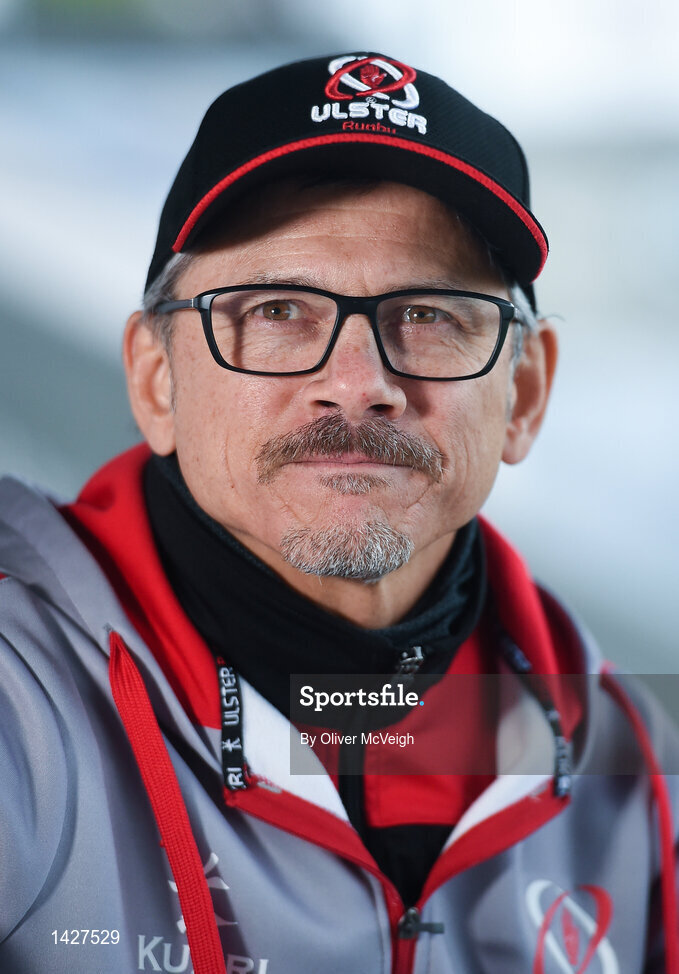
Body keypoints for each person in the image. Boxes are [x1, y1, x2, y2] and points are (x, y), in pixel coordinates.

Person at [0, 52, 677, 974]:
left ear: (523, 394)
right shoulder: (21, 702)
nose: (357, 384)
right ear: (156, 381)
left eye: (428, 315)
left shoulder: (632, 768)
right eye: (278, 309)